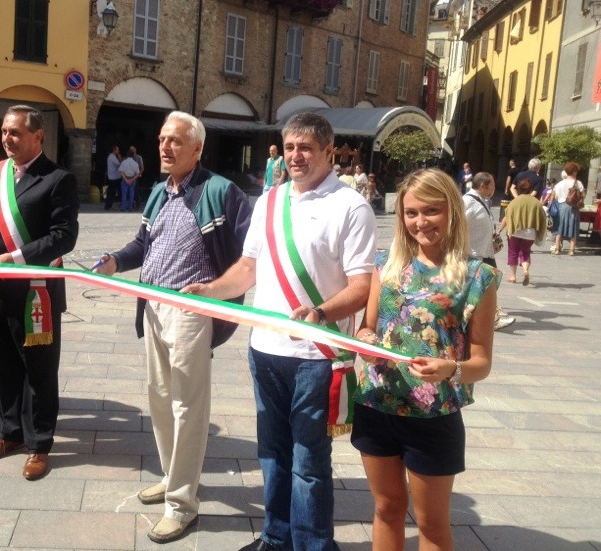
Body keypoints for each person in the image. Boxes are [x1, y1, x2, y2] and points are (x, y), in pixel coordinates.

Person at [183, 112, 377, 551]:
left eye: (306, 147)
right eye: (290, 147)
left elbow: (362, 286)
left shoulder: (351, 207)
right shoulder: (269, 200)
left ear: (330, 152)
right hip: (265, 349)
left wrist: (322, 313)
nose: (296, 155)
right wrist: (211, 290)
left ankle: (313, 545)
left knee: (309, 461)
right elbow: (249, 267)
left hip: (316, 357)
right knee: (271, 453)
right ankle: (276, 538)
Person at [94, 111, 252, 544]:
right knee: (160, 400)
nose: (165, 147)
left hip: (191, 312)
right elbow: (144, 245)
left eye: (175, 141)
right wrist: (115, 261)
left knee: (188, 406)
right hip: (153, 307)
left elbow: (252, 252)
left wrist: (218, 291)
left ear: (197, 148)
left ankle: (182, 504)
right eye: (162, 139)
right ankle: (172, 477)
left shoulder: (221, 192)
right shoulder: (159, 192)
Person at [353, 168, 497, 551]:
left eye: (431, 211)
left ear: (451, 211)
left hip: (435, 415)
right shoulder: (384, 265)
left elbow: (482, 361)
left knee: (432, 522)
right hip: (378, 403)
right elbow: (366, 328)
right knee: (386, 508)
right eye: (411, 212)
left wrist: (453, 370)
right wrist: (365, 342)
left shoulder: (476, 276)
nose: (420, 222)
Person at [0, 105, 79, 480]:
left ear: (38, 136)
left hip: (35, 294)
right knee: (5, 366)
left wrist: (14, 256)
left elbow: (64, 235)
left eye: (15, 133)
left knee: (39, 371)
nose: (7, 139)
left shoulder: (58, 178)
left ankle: (40, 444)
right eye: (4, 132)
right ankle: (9, 433)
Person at [463, 172, 515, 329]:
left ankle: (490, 316)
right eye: (492, 185)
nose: (495, 188)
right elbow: (457, 226)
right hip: (474, 254)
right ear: (483, 186)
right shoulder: (468, 202)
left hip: (484, 252)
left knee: (488, 287)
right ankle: (493, 318)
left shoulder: (481, 201)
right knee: (484, 288)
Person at [497, 178, 547, 285]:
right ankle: (525, 270)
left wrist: (499, 230)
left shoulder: (515, 201)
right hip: (530, 232)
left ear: (519, 189)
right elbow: (543, 217)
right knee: (525, 252)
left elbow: (506, 217)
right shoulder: (536, 202)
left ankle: (513, 276)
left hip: (515, 231)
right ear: (531, 189)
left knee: (513, 252)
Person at [549, 161, 585, 256]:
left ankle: (557, 248)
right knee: (573, 227)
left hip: (561, 206)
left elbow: (555, 196)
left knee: (560, 227)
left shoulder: (559, 184)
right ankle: (572, 250)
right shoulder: (578, 183)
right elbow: (583, 196)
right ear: (574, 172)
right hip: (573, 207)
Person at [118, 147, 140, 212]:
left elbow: (121, 172)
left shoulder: (124, 162)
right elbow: (137, 174)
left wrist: (126, 179)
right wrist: (132, 179)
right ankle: (130, 207)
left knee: (124, 194)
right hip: (132, 179)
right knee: (131, 194)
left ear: (127, 155)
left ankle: (124, 207)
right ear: (133, 156)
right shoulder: (135, 164)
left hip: (125, 178)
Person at [104, 145, 122, 210]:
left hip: (113, 177)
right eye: (117, 150)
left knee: (112, 192)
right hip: (114, 177)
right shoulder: (112, 157)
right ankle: (108, 206)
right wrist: (120, 158)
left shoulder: (111, 156)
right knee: (112, 192)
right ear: (115, 150)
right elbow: (119, 164)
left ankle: (109, 205)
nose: (118, 151)